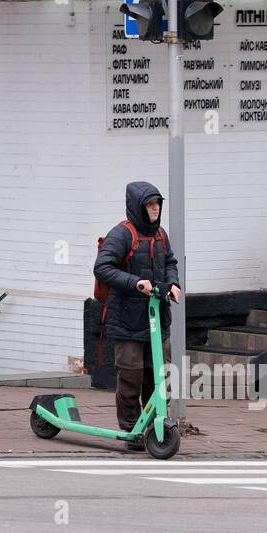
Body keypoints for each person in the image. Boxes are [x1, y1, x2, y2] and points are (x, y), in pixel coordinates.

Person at [93, 181, 182, 450]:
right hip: (128, 321)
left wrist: (173, 284)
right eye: (149, 204)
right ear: (138, 207)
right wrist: (135, 283)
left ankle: (156, 425)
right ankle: (131, 429)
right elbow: (102, 267)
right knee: (131, 377)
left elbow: (169, 263)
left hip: (157, 319)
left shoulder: (160, 235)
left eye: (157, 204)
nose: (155, 209)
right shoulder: (121, 234)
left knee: (159, 376)